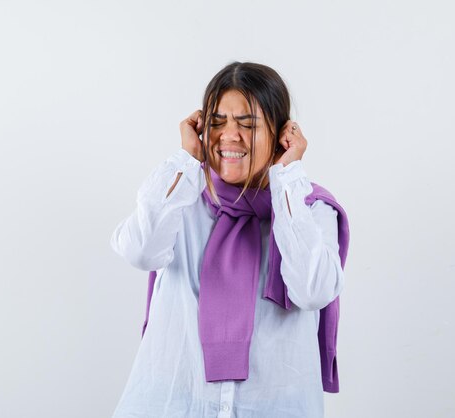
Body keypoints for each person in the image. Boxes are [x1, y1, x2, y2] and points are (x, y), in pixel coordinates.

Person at [109, 61, 350, 418]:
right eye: (218, 122)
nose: (229, 135)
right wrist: (185, 160)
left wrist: (286, 180)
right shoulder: (181, 198)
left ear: (282, 134)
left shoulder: (308, 211)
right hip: (175, 405)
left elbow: (312, 290)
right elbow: (139, 250)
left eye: (248, 124)